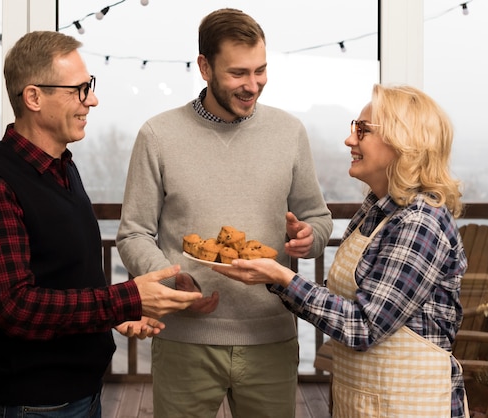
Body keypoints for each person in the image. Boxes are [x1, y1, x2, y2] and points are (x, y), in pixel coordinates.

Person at [0, 30, 202, 418]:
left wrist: (117, 315)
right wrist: (126, 299)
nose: (92, 100)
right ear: (34, 97)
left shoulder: (62, 167)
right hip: (33, 404)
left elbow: (64, 277)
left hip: (82, 393)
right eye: (79, 90)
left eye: (89, 87)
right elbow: (16, 307)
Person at [115, 8, 333, 418]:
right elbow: (134, 233)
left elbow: (318, 219)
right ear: (204, 67)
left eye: (261, 70)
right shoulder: (157, 135)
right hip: (184, 340)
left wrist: (310, 237)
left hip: (270, 337)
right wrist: (171, 280)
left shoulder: (289, 133)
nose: (253, 85)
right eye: (238, 74)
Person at [214, 84, 470, 418]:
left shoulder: (419, 223)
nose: (350, 140)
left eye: (362, 130)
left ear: (402, 143)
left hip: (412, 405)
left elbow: (364, 326)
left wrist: (282, 277)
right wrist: (277, 277)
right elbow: (352, 304)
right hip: (366, 400)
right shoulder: (376, 209)